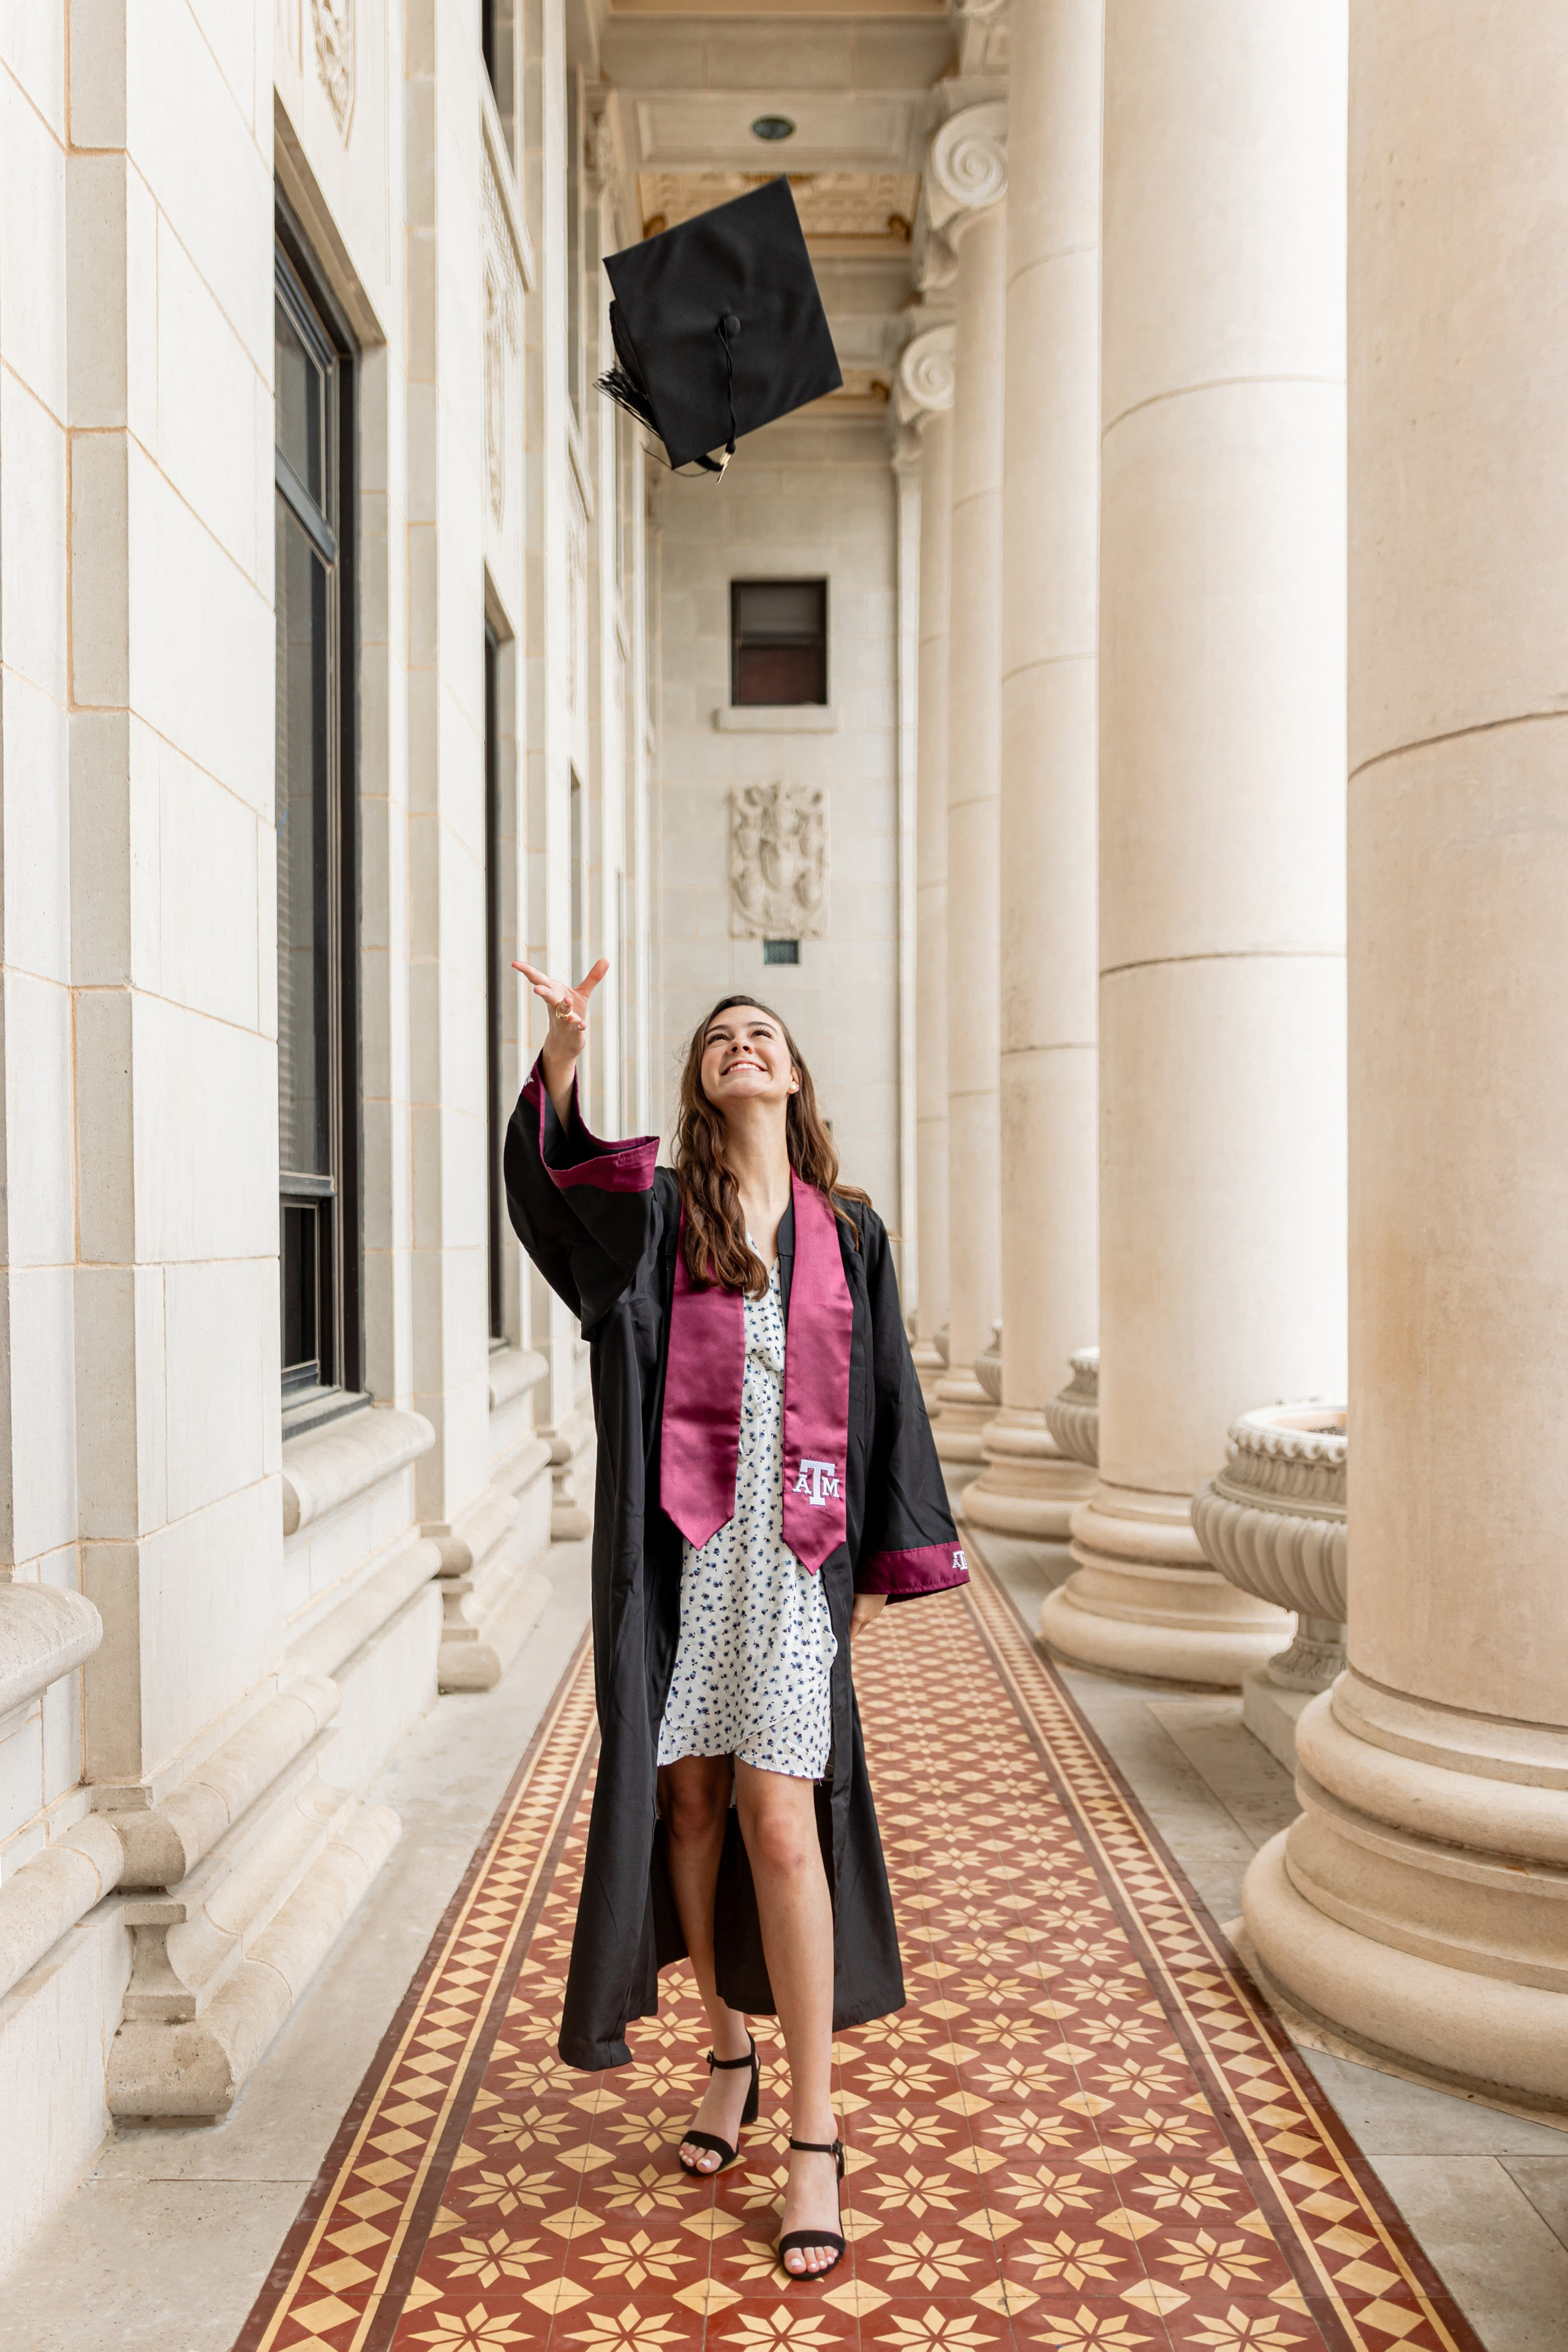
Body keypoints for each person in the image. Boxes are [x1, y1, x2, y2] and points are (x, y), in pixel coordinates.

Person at [504, 959, 966, 2280]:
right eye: (719, 1039)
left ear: (795, 1076)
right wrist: (562, 1058)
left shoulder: (852, 1234)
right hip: (685, 1565)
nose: (741, 1045)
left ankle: (814, 2129)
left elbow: (891, 1399)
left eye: (761, 1033)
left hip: (797, 1570)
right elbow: (549, 1200)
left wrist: (883, 1568)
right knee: (691, 1811)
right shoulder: (657, 1217)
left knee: (778, 1817)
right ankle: (725, 2050)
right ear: (701, 1083)